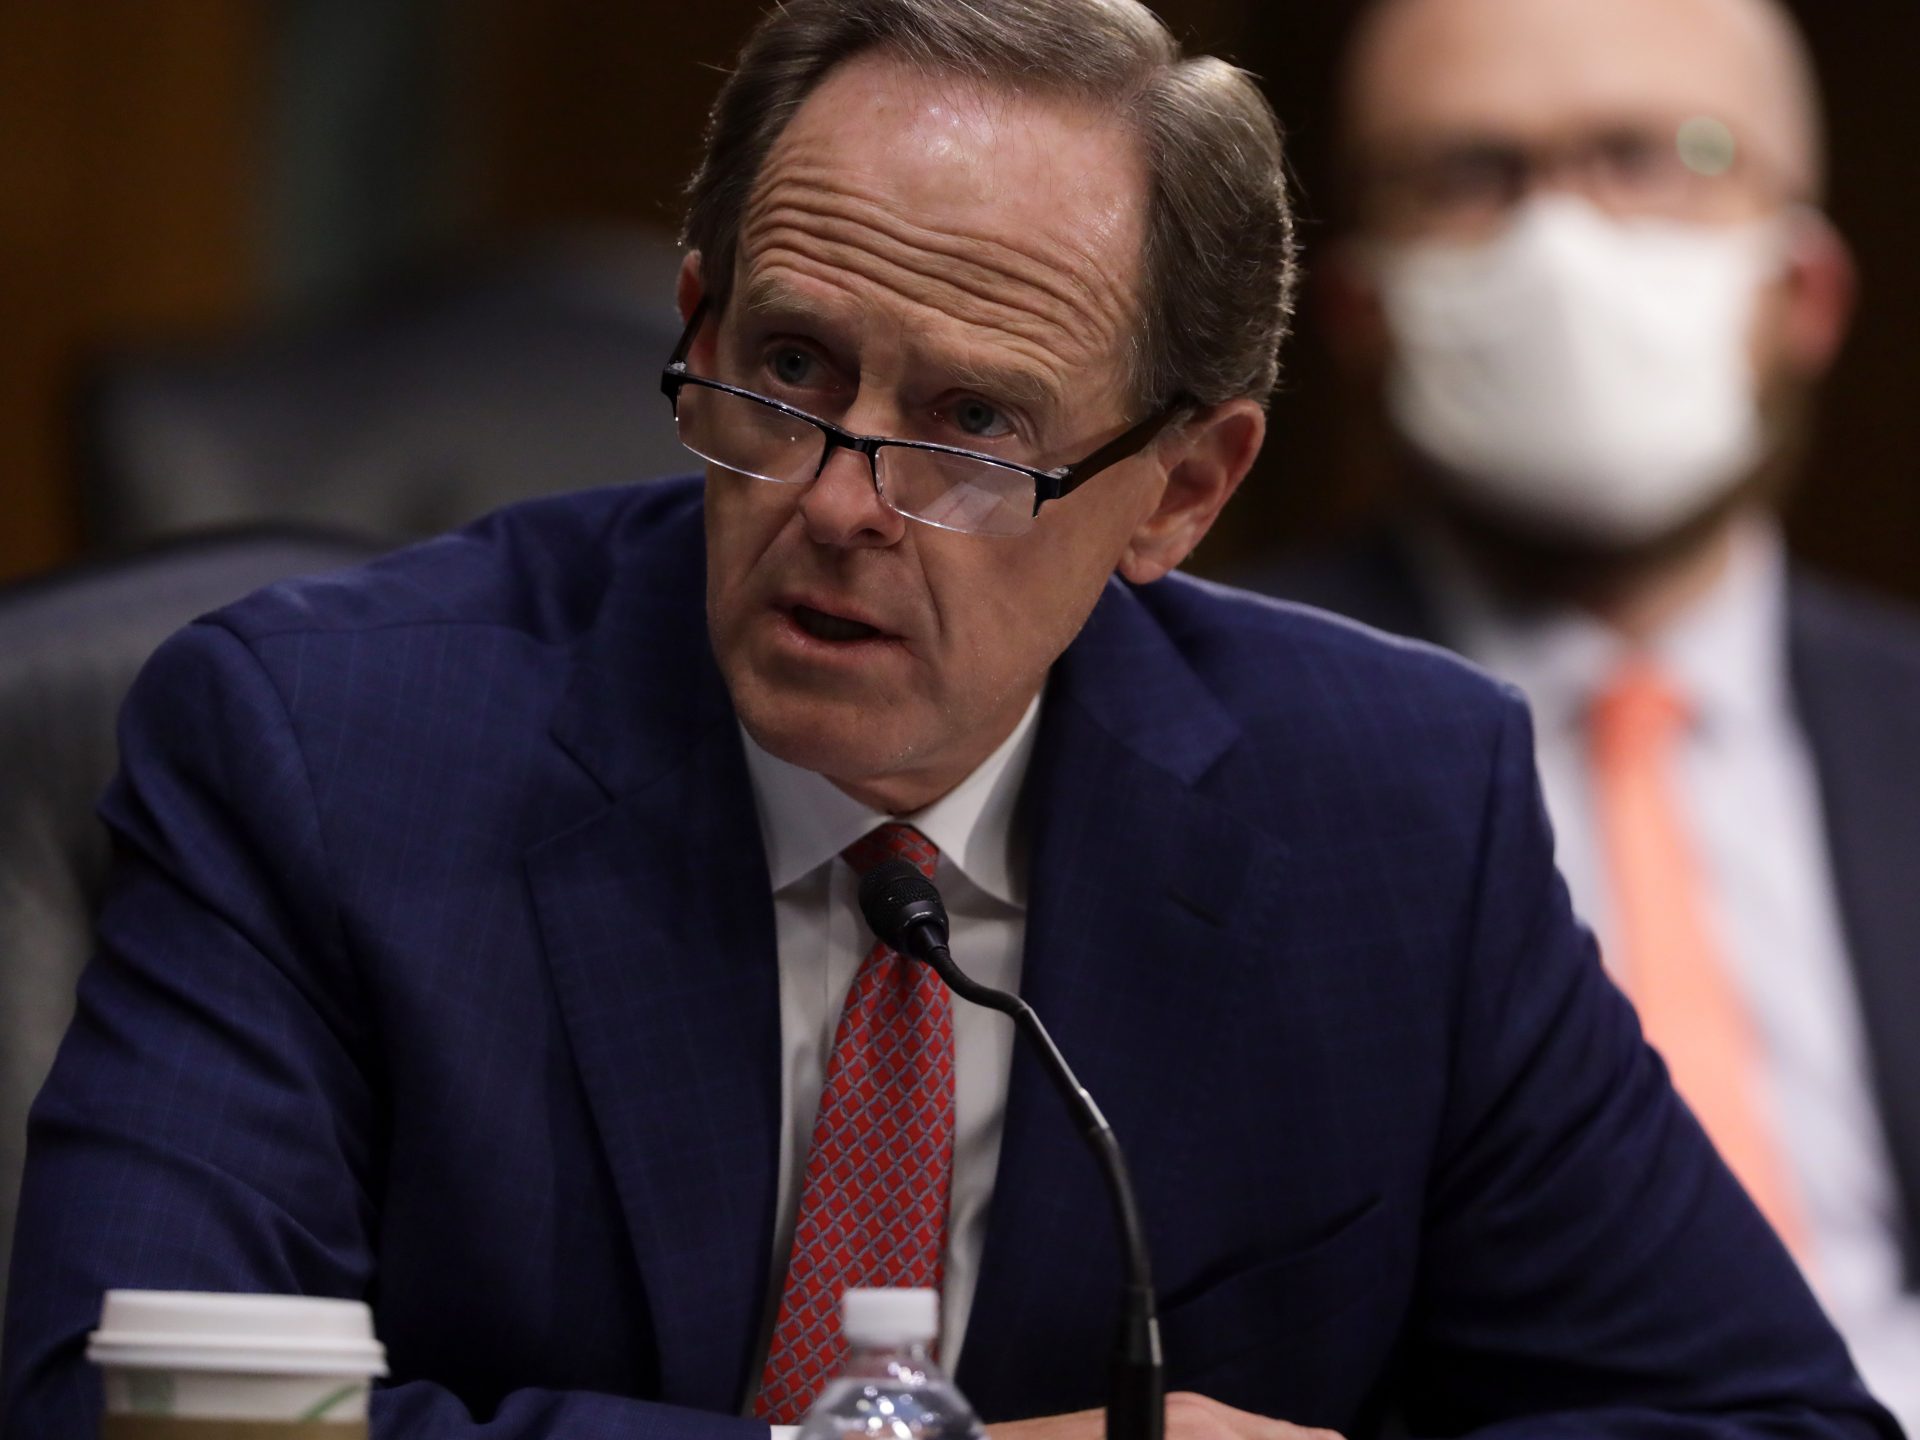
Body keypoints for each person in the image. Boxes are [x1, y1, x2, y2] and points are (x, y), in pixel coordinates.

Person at [0, 2, 1898, 1438]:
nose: (836, 498)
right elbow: (130, 1403)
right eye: (790, 370)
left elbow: (1765, 1422)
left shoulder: (1390, 813)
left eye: (976, 426)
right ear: (699, 316)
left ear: (1181, 490)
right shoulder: (328, 747)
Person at [1248, 0, 1920, 1429]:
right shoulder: (1200, 734)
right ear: (1359, 311)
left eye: (1652, 155)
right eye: (1467, 174)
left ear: (1807, 292)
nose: (1563, 242)